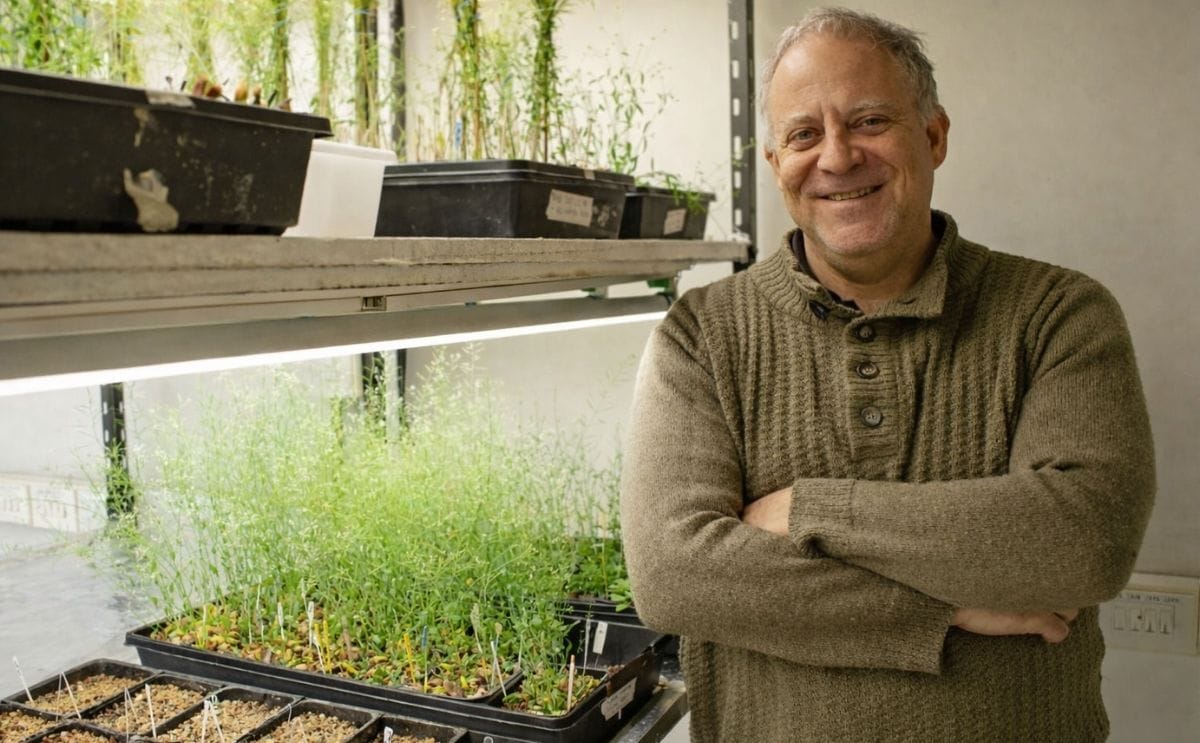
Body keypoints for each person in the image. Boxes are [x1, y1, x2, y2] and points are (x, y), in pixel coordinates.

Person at [619, 6, 1155, 742]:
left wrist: (808, 510)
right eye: (803, 135)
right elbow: (675, 574)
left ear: (933, 136)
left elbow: (1083, 541)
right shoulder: (701, 335)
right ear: (776, 165)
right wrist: (950, 606)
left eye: (869, 121)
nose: (837, 158)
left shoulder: (1059, 313)